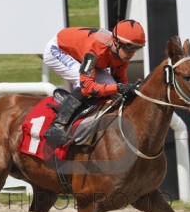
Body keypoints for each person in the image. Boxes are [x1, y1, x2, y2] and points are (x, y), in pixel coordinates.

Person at [42, 19, 146, 147]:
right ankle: (57, 126)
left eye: (137, 48)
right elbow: (87, 88)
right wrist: (118, 87)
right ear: (116, 42)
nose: (132, 53)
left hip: (82, 53)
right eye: (129, 48)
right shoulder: (95, 49)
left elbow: (120, 81)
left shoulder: (122, 53)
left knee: (111, 88)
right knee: (87, 84)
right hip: (58, 50)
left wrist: (127, 91)